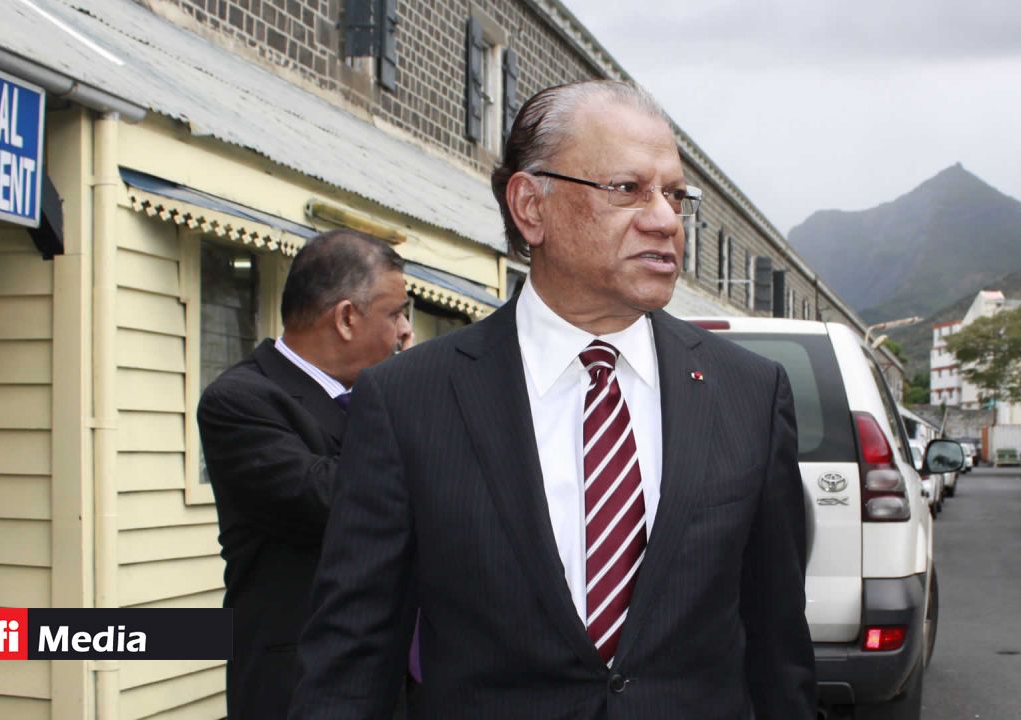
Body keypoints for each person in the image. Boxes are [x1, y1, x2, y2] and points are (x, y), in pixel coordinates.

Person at [289, 80, 815, 719]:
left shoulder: (750, 394)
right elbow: (351, 658)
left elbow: (777, 647)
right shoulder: (408, 402)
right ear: (531, 207)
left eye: (676, 195)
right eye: (628, 188)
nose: (665, 220)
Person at [198, 230, 413, 720]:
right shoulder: (241, 401)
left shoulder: (374, 397)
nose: (405, 332)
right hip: (302, 689)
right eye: (395, 313)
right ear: (346, 318)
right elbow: (335, 499)